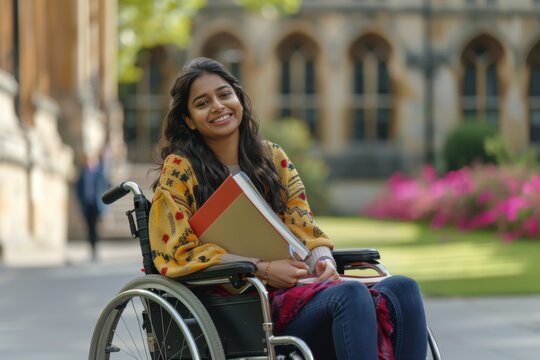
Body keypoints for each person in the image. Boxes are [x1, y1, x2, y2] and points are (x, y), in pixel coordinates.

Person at [149, 57, 427, 359]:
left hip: (298, 287)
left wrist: (322, 260)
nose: (217, 106)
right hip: (244, 303)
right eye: (202, 103)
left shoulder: (273, 157)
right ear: (188, 120)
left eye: (224, 94)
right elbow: (177, 252)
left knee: (403, 289)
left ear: (239, 99)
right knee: (351, 294)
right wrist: (262, 269)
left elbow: (300, 218)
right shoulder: (180, 169)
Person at [76, 153, 109, 261]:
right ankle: (91, 248)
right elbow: (79, 189)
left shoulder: (99, 173)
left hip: (96, 204)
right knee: (89, 227)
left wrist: (105, 207)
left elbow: (104, 187)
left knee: (94, 227)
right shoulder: (83, 174)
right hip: (87, 204)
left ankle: (95, 248)